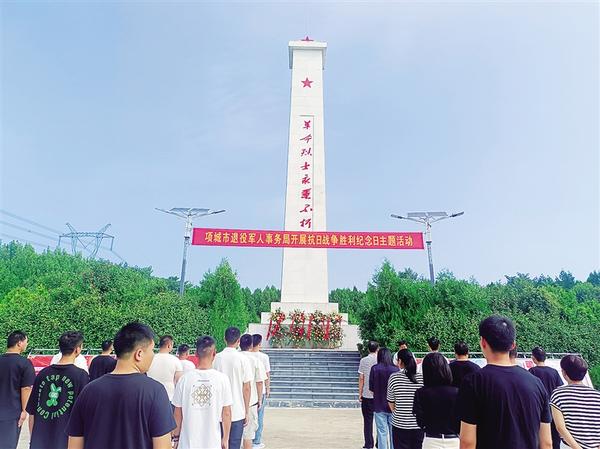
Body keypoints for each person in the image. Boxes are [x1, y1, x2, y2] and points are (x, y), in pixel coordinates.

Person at [66, 322, 176, 449]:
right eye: (152, 350)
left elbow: (74, 445)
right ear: (139, 354)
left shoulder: (88, 391)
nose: (153, 355)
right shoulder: (155, 392)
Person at [457, 315, 552, 449]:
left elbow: (467, 442)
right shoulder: (537, 383)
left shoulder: (473, 382)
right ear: (512, 345)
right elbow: (547, 443)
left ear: (483, 342)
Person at [27, 331, 89, 449]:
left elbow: (32, 412)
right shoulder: (81, 376)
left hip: (39, 442)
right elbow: (83, 416)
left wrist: (33, 440)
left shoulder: (42, 374)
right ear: (77, 349)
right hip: (66, 442)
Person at [172, 336, 233, 449]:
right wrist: (225, 438)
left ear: (195, 353)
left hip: (188, 443)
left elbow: (177, 413)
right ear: (214, 353)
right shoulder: (222, 379)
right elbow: (227, 413)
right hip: (212, 443)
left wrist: (175, 437)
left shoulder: (184, 379)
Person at [213, 326, 252, 449]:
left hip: (218, 411)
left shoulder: (216, 358)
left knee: (218, 444)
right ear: (238, 340)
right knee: (234, 445)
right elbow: (247, 387)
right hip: (237, 410)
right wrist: (246, 411)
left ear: (224, 339)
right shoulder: (243, 359)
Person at [550, 355, 600, 449]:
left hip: (570, 446)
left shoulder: (558, 394)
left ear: (564, 373)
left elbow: (560, 427)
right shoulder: (597, 395)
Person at [413, 352, 460, 449]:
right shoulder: (457, 392)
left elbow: (420, 422)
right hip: (453, 440)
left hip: (431, 440)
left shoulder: (420, 393)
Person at [0, 330, 35, 449]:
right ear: (19, 343)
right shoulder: (25, 363)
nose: (26, 344)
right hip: (11, 413)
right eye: (26, 341)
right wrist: (24, 411)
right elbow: (26, 388)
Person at [387, 349, 424, 449]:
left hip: (399, 424)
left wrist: (397, 412)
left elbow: (390, 401)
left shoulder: (394, 378)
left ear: (400, 361)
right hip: (418, 425)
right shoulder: (422, 378)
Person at [529, 347, 563, 449]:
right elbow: (559, 388)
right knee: (555, 437)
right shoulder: (554, 372)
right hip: (554, 408)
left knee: (540, 438)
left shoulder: (531, 371)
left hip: (539, 409)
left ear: (533, 358)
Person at [239, 334, 266, 449]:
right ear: (251, 345)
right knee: (248, 435)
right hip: (250, 401)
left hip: (234, 401)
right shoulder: (256, 361)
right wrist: (260, 399)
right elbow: (259, 382)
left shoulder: (235, 358)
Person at [369, 347, 398, 449]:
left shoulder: (374, 368)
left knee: (381, 432)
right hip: (393, 406)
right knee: (393, 432)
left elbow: (371, 389)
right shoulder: (396, 369)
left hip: (378, 404)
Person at [147, 335, 184, 406]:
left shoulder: (150, 359)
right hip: (169, 397)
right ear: (169, 346)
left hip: (150, 397)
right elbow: (178, 382)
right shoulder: (175, 360)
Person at [251, 333, 271, 449]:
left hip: (248, 389)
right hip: (260, 390)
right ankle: (256, 441)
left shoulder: (244, 355)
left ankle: (246, 439)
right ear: (259, 343)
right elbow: (267, 375)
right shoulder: (263, 357)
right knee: (259, 416)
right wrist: (268, 387)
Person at [358, 341, 379, 449]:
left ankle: (368, 444)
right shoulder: (380, 360)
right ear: (377, 349)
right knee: (380, 421)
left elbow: (361, 378)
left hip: (367, 394)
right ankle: (379, 442)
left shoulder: (363, 360)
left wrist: (360, 393)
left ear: (368, 349)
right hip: (379, 396)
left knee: (367, 421)